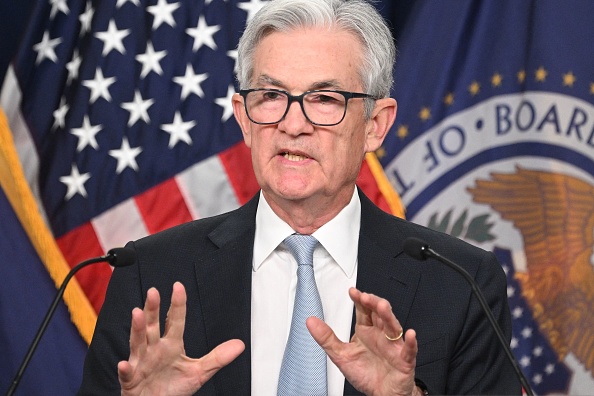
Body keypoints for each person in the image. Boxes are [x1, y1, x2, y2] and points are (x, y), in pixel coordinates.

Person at [79, 0, 522, 394]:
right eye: (272, 96)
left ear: (376, 125)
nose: (293, 124)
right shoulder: (148, 274)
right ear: (245, 118)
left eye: (324, 98)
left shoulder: (460, 283)